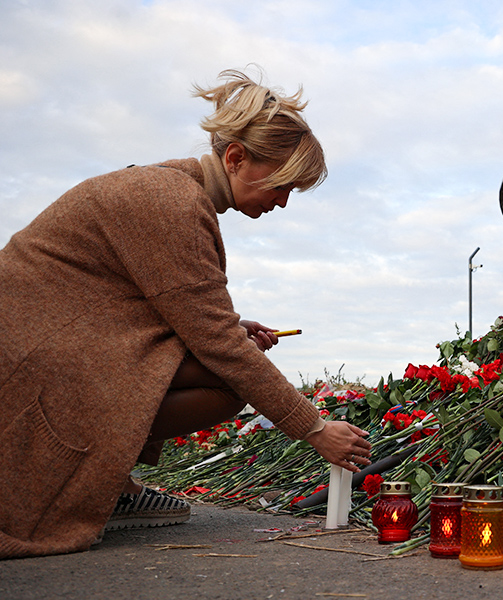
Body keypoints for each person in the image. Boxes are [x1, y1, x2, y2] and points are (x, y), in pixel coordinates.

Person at [0, 68, 372, 559]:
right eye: (281, 185)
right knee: (227, 379)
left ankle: (113, 483)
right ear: (236, 159)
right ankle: (103, 487)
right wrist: (315, 429)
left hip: (40, 344)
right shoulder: (171, 201)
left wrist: (234, 327)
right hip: (29, 363)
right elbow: (217, 343)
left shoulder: (169, 189)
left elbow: (143, 302)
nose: (282, 202)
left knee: (219, 360)